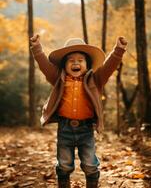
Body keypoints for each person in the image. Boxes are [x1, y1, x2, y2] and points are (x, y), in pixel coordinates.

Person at [30, 35, 127, 188]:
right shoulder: (58, 78)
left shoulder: (95, 80)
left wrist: (118, 50)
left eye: (80, 60)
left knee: (90, 164)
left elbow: (109, 66)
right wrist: (37, 48)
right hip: (65, 128)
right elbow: (44, 65)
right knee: (64, 164)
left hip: (86, 129)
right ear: (64, 65)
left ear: (88, 65)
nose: (76, 63)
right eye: (71, 60)